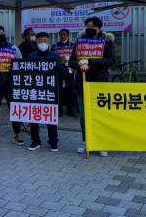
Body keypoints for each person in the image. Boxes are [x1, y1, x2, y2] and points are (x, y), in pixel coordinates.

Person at [69, 17, 115, 157]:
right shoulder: (80, 42)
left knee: (100, 114)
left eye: (93, 26)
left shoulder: (107, 42)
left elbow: (110, 60)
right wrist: (79, 64)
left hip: (99, 83)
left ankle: (101, 143)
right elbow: (71, 61)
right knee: (83, 115)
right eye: (88, 26)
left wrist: (90, 62)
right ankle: (86, 141)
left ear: (99, 29)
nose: (89, 28)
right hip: (82, 83)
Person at [26, 32, 64, 152]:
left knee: (50, 117)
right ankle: (35, 141)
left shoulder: (55, 56)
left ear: (49, 42)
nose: (43, 43)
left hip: (49, 91)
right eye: (40, 41)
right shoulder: (31, 56)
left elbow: (62, 73)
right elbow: (25, 73)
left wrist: (58, 70)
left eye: (45, 41)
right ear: (36, 42)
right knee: (34, 117)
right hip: (34, 91)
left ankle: (53, 142)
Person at [52, 29, 77, 117]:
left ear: (68, 35)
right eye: (61, 35)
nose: (63, 36)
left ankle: (70, 110)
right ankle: (59, 110)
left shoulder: (73, 46)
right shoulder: (55, 46)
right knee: (58, 90)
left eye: (64, 34)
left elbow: (75, 58)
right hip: (59, 69)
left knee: (70, 89)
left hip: (69, 69)